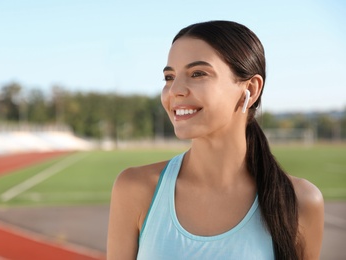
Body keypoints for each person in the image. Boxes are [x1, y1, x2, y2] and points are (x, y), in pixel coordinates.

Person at [107, 20, 324, 259]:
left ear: (251, 87)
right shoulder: (135, 189)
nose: (175, 90)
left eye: (198, 73)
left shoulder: (300, 202)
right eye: (169, 77)